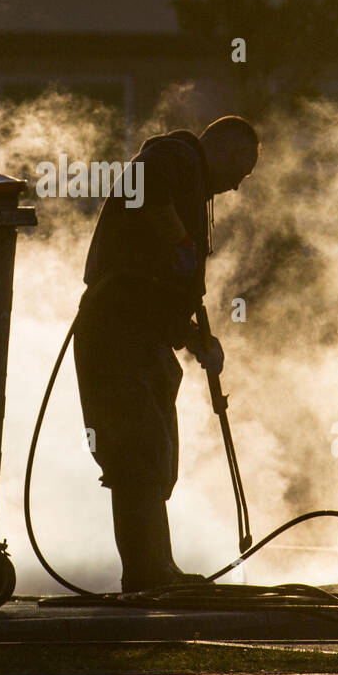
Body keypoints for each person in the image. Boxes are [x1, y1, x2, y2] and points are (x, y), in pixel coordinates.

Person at [73, 116, 260, 592]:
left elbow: (158, 296)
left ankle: (158, 568)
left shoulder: (190, 188)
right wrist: (180, 241)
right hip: (115, 335)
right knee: (137, 452)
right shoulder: (175, 158)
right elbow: (144, 181)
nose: (238, 186)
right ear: (228, 151)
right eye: (243, 170)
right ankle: (146, 573)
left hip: (140, 335)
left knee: (155, 456)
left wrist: (198, 341)